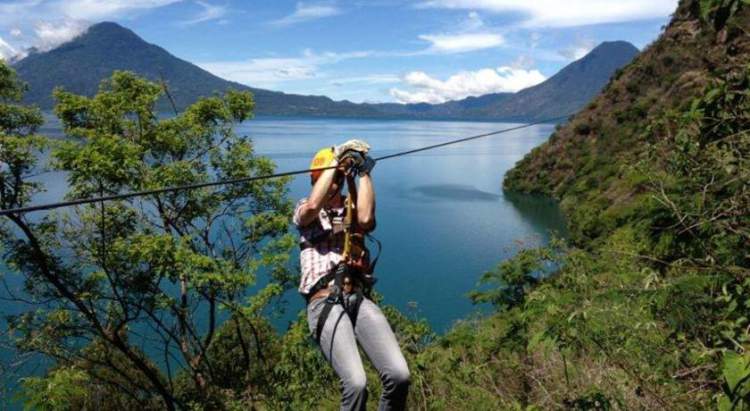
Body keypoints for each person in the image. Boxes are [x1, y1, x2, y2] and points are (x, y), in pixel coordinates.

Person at [293, 139, 410, 411]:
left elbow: (367, 219)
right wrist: (335, 161)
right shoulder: (304, 208)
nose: (335, 182)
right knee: (356, 384)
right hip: (323, 300)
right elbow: (312, 207)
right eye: (329, 177)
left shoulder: (350, 207)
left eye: (338, 177)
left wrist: (365, 172)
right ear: (320, 179)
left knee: (398, 375)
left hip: (356, 297)